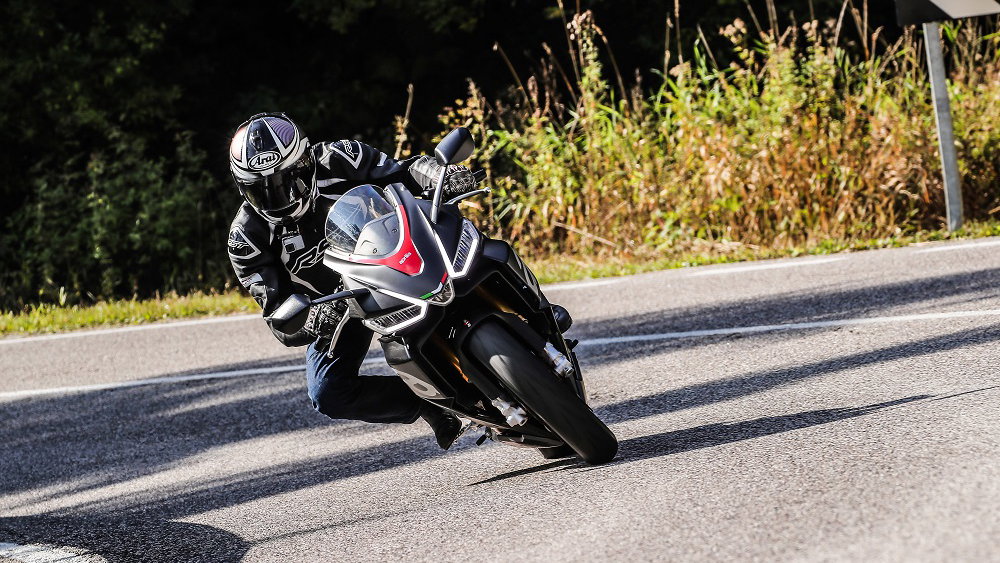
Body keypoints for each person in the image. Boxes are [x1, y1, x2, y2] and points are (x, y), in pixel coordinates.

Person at [227, 112, 478, 449]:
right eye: (262, 190)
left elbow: (403, 171)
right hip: (341, 303)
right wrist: (315, 320)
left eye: (289, 181)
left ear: (305, 161)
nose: (281, 198)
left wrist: (439, 174)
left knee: (477, 248)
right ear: (242, 187)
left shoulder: (340, 156)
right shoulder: (245, 237)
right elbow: (277, 317)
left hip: (399, 254)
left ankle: (540, 313)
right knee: (327, 393)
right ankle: (431, 405)